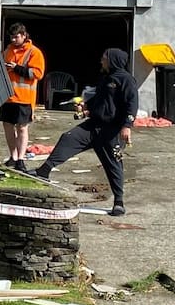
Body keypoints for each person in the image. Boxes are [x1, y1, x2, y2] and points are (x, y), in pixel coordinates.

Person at [28, 47, 137, 216]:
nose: (101, 61)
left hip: (112, 131)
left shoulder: (126, 80)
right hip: (93, 125)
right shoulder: (105, 78)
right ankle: (44, 171)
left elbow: (132, 103)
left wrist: (127, 126)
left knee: (113, 164)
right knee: (68, 138)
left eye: (104, 58)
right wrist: (87, 108)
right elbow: (101, 101)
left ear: (113, 60)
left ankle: (118, 202)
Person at [0, 23, 45, 173]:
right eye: (11, 37)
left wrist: (17, 68)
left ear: (24, 36)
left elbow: (38, 73)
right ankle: (13, 157)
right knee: (7, 126)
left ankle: (21, 159)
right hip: (8, 97)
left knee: (22, 128)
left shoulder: (34, 52)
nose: (13, 40)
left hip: (24, 98)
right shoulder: (7, 51)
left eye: (16, 37)